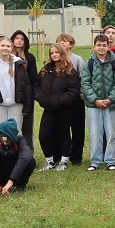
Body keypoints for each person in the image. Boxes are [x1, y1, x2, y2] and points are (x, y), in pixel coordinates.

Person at [36, 43, 82, 171]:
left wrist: (61, 101)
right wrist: (41, 98)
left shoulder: (70, 70)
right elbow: (37, 86)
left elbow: (73, 90)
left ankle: (63, 161)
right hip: (49, 108)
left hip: (64, 108)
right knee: (43, 135)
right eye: (52, 53)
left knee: (64, 134)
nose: (54, 55)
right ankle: (49, 162)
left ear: (62, 53)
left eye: (57, 52)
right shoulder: (45, 69)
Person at [82, 35, 115, 171]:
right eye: (98, 45)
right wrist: (95, 100)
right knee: (95, 133)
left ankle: (110, 159)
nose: (101, 48)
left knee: (111, 133)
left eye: (104, 45)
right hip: (94, 104)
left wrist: (111, 98)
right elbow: (85, 83)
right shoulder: (89, 63)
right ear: (94, 46)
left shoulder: (114, 62)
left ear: (108, 46)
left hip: (111, 104)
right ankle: (95, 161)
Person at [0, 118, 35, 196]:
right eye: (2, 140)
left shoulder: (20, 140)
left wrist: (11, 181)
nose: (4, 143)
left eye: (7, 140)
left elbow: (26, 157)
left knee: (30, 161)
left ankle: (21, 185)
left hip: (15, 173)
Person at [0, 37, 32, 133]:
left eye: (8, 46)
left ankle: (16, 149)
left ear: (11, 48)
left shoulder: (18, 63)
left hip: (16, 104)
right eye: (2, 45)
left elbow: (26, 85)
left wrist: (28, 104)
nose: (5, 48)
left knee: (15, 132)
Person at [56, 32, 86, 167]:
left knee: (78, 128)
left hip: (76, 100)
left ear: (71, 44)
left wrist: (81, 96)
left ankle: (76, 156)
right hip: (61, 101)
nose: (62, 43)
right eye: (60, 41)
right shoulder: (55, 60)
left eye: (65, 41)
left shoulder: (78, 60)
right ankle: (62, 155)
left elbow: (83, 79)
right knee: (62, 129)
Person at [9, 30, 40, 144]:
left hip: (26, 96)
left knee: (27, 128)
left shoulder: (29, 57)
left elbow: (34, 79)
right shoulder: (6, 55)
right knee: (11, 127)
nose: (19, 41)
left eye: (22, 39)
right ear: (12, 40)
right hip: (9, 96)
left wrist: (31, 98)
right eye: (17, 38)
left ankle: (28, 157)